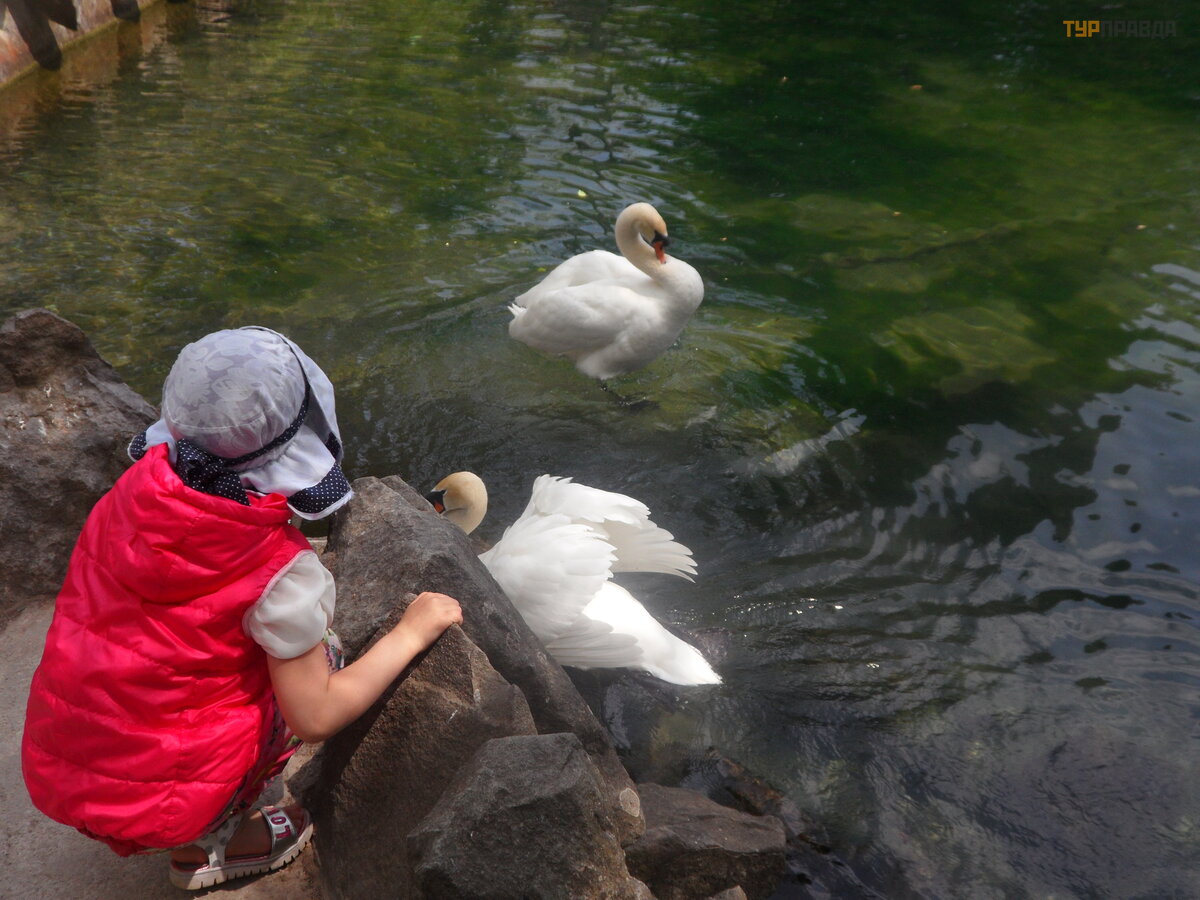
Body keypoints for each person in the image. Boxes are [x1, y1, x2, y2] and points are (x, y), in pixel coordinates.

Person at [21, 326, 462, 891]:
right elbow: (314, 718)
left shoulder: (128, 493)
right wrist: (409, 634)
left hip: (62, 766)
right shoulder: (280, 573)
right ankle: (215, 842)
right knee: (323, 651)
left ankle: (181, 813)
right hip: (165, 804)